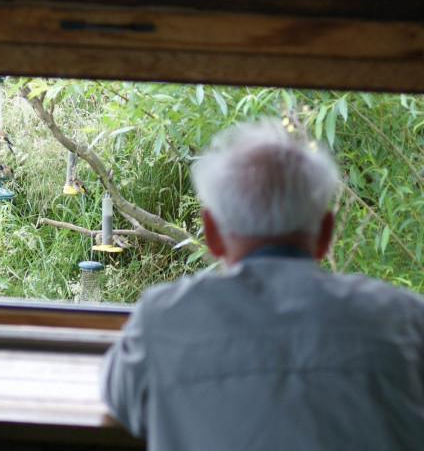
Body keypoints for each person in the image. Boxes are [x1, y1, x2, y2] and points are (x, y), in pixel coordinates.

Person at [100, 118, 424, 450]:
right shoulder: (406, 321)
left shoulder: (162, 322)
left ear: (210, 233)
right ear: (326, 234)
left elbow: (120, 397)